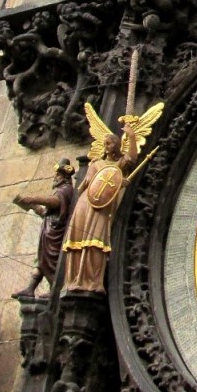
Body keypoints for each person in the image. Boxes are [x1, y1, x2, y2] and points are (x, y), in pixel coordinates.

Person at [63, 119, 139, 294]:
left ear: (117, 145)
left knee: (96, 240)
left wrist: (131, 136)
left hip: (102, 207)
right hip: (87, 203)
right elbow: (89, 183)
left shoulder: (119, 164)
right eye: (105, 143)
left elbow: (132, 158)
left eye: (109, 143)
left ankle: (92, 280)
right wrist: (118, 181)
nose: (106, 146)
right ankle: (74, 278)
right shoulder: (96, 164)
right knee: (79, 239)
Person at [11, 158, 77, 298]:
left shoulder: (66, 190)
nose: (55, 178)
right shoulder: (60, 190)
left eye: (58, 175)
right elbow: (47, 213)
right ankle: (30, 289)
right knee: (41, 261)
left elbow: (55, 202)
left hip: (56, 235)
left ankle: (55, 288)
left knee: (52, 262)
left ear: (65, 177)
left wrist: (33, 199)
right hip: (49, 233)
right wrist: (34, 207)